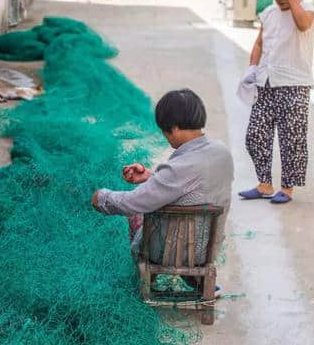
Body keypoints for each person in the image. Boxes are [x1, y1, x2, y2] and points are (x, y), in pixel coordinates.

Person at [91, 89, 234, 278]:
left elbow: (132, 202)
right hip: (207, 250)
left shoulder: (178, 168)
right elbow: (193, 188)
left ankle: (148, 277)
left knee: (138, 215)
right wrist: (152, 177)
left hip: (172, 253)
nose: (165, 137)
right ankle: (197, 280)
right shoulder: (222, 152)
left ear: (174, 128)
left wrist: (101, 197)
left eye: (164, 131)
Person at [239, 0, 314, 205]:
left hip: (294, 84)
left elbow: (303, 24)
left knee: (291, 139)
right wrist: (252, 69)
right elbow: (260, 44)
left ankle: (287, 188)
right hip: (266, 82)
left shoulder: (308, 8)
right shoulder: (269, 13)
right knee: (255, 134)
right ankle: (264, 184)